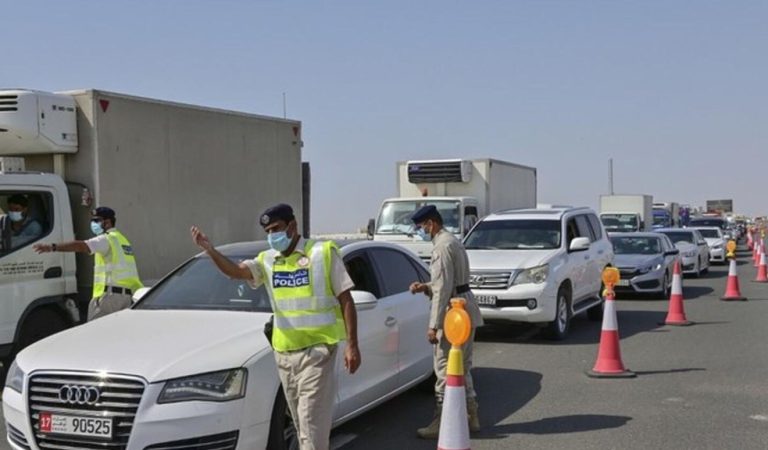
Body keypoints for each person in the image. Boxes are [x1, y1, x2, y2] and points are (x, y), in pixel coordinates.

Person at [190, 203, 360, 450]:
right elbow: (236, 272)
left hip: (317, 354)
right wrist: (210, 250)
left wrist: (352, 346)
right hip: (284, 355)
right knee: (302, 426)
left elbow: (346, 299)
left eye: (276, 229)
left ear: (292, 226)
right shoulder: (267, 260)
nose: (272, 236)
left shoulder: (322, 252)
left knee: (311, 427)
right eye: (268, 231)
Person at [409, 204, 483, 439]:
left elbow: (442, 289)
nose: (421, 232)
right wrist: (426, 287)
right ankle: (472, 416)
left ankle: (441, 421)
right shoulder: (454, 241)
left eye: (422, 227)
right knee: (464, 365)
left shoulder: (440, 248)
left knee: (443, 368)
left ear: (431, 223)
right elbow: (451, 282)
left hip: (452, 312)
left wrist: (434, 325)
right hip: (466, 306)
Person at [33, 207, 143, 320]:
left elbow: (81, 246)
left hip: (109, 298)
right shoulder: (121, 239)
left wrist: (53, 247)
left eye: (97, 220)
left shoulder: (106, 239)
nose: (93, 224)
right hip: (126, 296)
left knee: (96, 333)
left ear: (108, 222)